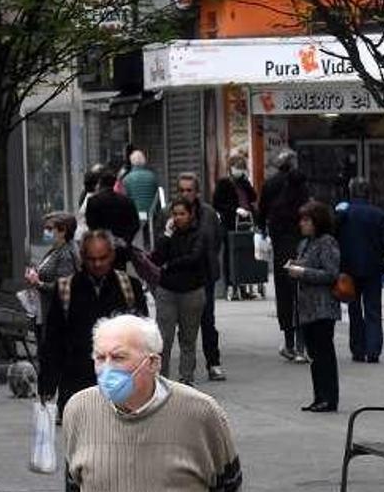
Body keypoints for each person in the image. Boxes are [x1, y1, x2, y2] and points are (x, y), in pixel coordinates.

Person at [64, 315, 242, 491]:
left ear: (152, 363)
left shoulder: (201, 413)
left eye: (119, 357)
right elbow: (74, 483)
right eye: (100, 358)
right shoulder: (79, 409)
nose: (107, 369)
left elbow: (229, 484)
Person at [37, 230, 148, 420]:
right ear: (82, 257)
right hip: (77, 384)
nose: (97, 264)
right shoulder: (66, 289)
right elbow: (54, 341)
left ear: (112, 255)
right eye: (91, 259)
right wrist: (47, 385)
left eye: (102, 258)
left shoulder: (130, 287)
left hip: (119, 383)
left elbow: (145, 338)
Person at [257, 148, 311, 362]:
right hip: (300, 244)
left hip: (281, 245)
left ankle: (289, 342)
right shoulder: (301, 186)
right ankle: (301, 345)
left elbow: (261, 212)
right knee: (301, 293)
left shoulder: (270, 185)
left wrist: (263, 230)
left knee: (285, 295)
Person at [286, 201, 341, 413]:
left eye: (306, 220)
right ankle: (319, 396)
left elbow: (330, 273)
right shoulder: (305, 243)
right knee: (315, 355)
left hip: (322, 307)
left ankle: (329, 397)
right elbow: (306, 264)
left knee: (324, 353)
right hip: (306, 308)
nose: (302, 224)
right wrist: (295, 266)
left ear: (317, 221)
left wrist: (302, 272)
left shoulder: (327, 242)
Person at [151, 198, 207, 386]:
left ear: (190, 215)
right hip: (167, 291)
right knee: (163, 339)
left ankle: (186, 378)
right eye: (175, 214)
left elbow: (194, 258)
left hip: (192, 291)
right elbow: (157, 259)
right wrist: (166, 235)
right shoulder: (168, 236)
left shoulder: (198, 234)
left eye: (182, 214)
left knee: (188, 338)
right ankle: (161, 379)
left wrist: (170, 265)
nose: (178, 218)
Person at [336, 178, 384, 363]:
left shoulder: (344, 214)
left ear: (351, 192)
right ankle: (374, 349)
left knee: (354, 310)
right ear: (368, 193)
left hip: (349, 268)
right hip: (373, 268)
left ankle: (358, 348)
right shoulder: (379, 214)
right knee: (373, 309)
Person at [178, 173, 226, 381]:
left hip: (203, 275)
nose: (185, 194)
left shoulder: (208, 213)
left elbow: (216, 240)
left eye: (189, 190)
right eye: (182, 190)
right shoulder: (171, 213)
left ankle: (213, 363)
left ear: (197, 191)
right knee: (184, 325)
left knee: (207, 321)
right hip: (180, 277)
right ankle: (186, 370)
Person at [24, 212, 79, 341]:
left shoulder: (65, 254)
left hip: (57, 315)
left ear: (63, 231)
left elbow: (64, 286)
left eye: (49, 229)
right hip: (46, 311)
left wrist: (38, 283)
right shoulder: (55, 251)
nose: (45, 232)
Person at [213, 154, 258, 300]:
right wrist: (234, 209)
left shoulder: (244, 182)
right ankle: (231, 285)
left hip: (246, 223)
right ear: (231, 168)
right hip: (230, 223)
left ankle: (244, 285)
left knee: (246, 254)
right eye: (237, 168)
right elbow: (217, 204)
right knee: (231, 255)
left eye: (242, 168)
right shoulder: (224, 183)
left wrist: (246, 182)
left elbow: (253, 197)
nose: (239, 170)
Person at [85, 170, 141, 269]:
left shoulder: (93, 201)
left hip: (101, 248)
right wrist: (126, 240)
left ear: (100, 183)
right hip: (120, 250)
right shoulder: (126, 201)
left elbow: (91, 225)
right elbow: (135, 224)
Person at [122, 149, 158, 216]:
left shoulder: (127, 179)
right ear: (144, 161)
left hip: (135, 214)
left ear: (131, 162)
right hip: (151, 214)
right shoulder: (152, 176)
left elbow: (125, 200)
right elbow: (157, 196)